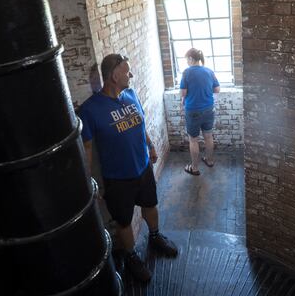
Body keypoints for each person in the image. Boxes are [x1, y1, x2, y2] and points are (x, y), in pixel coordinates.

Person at [78, 53, 178, 283]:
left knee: (151, 205)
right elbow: (87, 150)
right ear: (114, 75)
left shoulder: (131, 95)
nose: (131, 74)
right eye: (127, 71)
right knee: (123, 221)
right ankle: (132, 256)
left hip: (142, 168)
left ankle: (155, 237)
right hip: (117, 178)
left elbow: (140, 125)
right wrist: (90, 183)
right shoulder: (90, 110)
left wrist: (151, 145)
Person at [180, 48, 220, 176]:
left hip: (193, 110)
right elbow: (217, 89)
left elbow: (183, 93)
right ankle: (209, 160)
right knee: (208, 136)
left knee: (193, 140)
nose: (186, 62)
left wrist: (183, 99)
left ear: (191, 59)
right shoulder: (209, 71)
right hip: (209, 109)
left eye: (187, 59)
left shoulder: (186, 73)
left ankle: (195, 168)